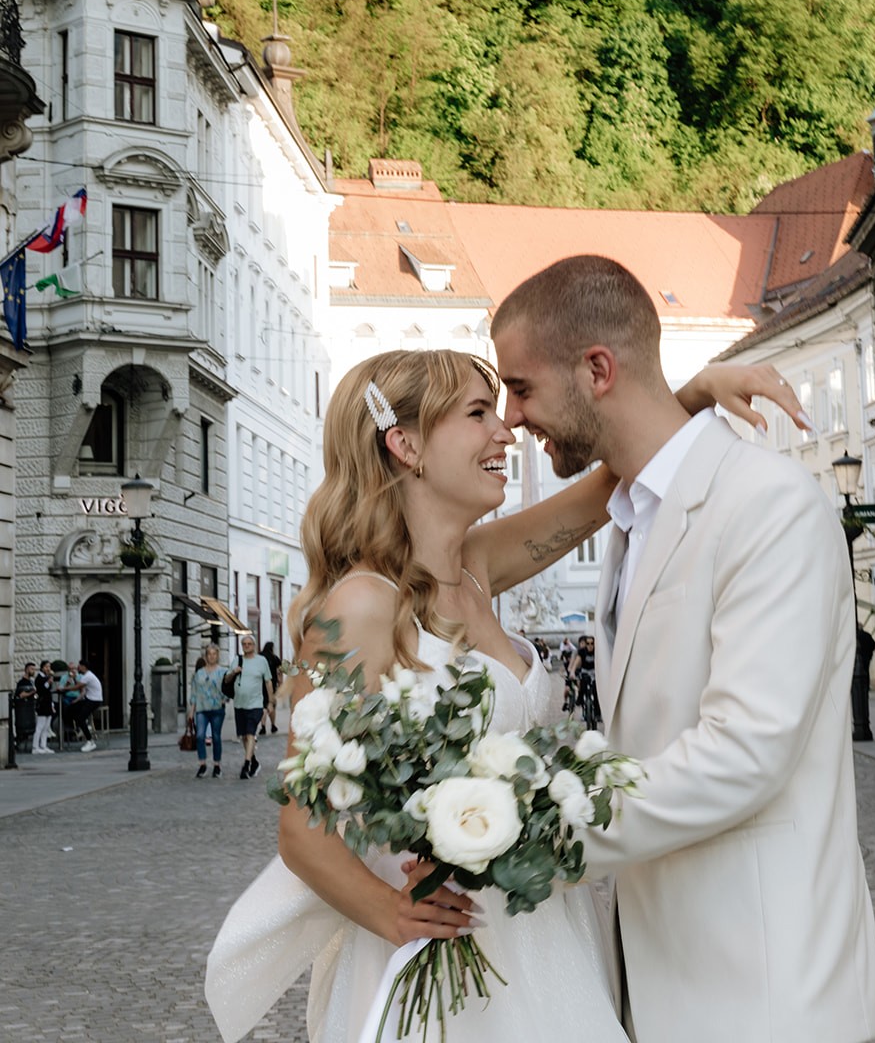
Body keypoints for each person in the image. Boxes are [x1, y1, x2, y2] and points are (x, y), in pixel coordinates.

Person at [206, 349, 796, 1043]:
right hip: (446, 954)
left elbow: (606, 487)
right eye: (477, 414)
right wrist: (392, 914)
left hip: (546, 933)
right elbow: (302, 830)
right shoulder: (359, 606)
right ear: (406, 444)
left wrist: (691, 394)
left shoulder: (477, 567)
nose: (504, 434)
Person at [491, 254, 875, 1043]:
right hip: (660, 977)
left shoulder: (767, 504)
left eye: (521, 387)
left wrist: (529, 829)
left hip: (766, 989)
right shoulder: (634, 516)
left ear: (597, 369)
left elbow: (743, 751)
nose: (512, 417)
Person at [228, 634, 274, 780]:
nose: (247, 646)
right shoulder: (237, 660)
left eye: (249, 644)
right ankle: (254, 762)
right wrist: (233, 672)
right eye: (244, 644)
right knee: (243, 736)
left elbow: (268, 682)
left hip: (255, 704)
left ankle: (246, 764)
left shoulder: (261, 661)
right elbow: (227, 679)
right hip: (239, 703)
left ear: (254, 646)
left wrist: (270, 702)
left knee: (250, 733)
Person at [190, 643, 229, 778]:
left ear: (217, 656)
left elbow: (228, 687)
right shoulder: (199, 673)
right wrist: (191, 710)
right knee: (200, 736)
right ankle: (202, 764)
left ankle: (217, 765)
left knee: (216, 736)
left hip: (217, 708)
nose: (212, 656)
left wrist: (225, 699)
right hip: (201, 709)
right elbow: (194, 691)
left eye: (214, 654)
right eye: (209, 654)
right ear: (205, 656)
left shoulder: (223, 671)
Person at [68, 660, 104, 752]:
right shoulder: (87, 675)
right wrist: (76, 700)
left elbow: (77, 687)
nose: (77, 667)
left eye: (79, 665)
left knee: (80, 718)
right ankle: (84, 726)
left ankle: (90, 741)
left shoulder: (88, 676)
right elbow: (83, 691)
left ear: (84, 667)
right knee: (72, 708)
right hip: (90, 699)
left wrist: (64, 689)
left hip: (94, 700)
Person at [13, 663, 38, 753]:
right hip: (23, 710)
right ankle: (17, 744)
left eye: (34, 669)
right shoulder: (22, 682)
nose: (33, 671)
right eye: (31, 669)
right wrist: (32, 692)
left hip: (29, 709)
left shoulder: (31, 682)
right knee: (22, 732)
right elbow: (21, 695)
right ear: (27, 669)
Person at [258, 641, 281, 736]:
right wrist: (280, 682)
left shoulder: (259, 657)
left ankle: (263, 726)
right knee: (272, 705)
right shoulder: (274, 658)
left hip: (261, 684)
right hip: (272, 683)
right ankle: (273, 725)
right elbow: (279, 671)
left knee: (263, 706)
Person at [32, 661, 55, 754]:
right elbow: (40, 690)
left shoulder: (46, 677)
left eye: (49, 667)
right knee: (40, 726)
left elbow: (49, 691)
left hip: (48, 703)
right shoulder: (39, 678)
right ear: (42, 668)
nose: (48, 669)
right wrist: (48, 682)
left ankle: (43, 745)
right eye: (46, 667)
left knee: (46, 727)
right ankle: (35, 747)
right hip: (42, 704)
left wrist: (52, 705)